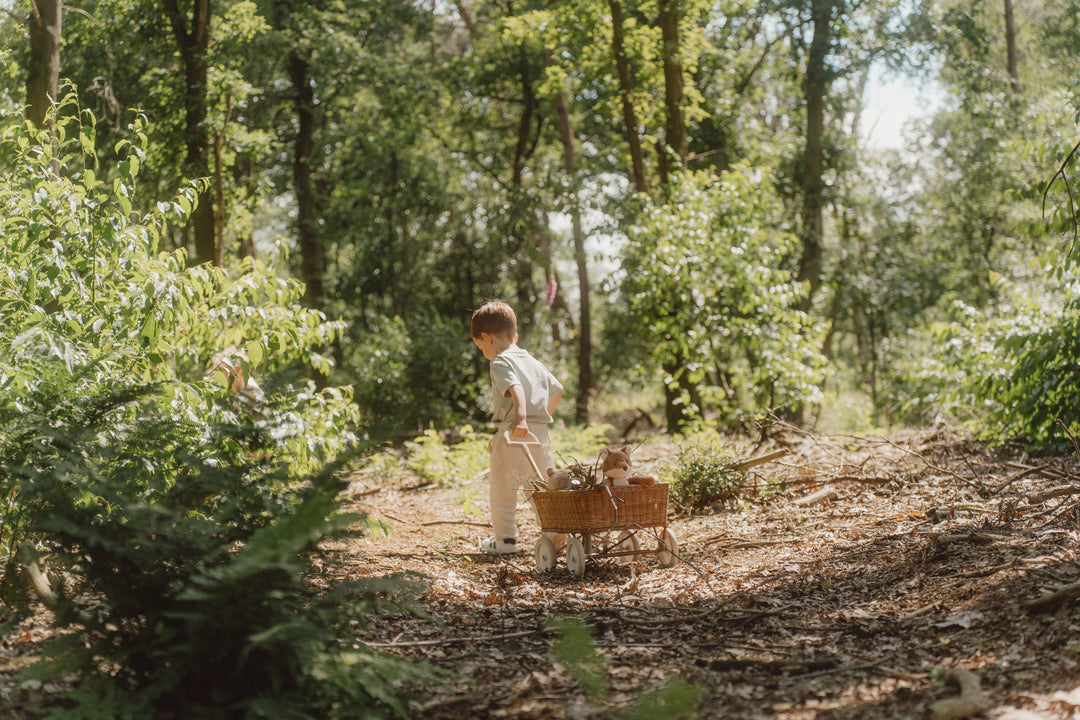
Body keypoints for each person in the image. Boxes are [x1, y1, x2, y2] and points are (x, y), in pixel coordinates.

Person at [470, 300, 563, 554]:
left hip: (513, 431)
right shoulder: (533, 361)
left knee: (503, 489)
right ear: (515, 334)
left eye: (480, 347)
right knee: (541, 489)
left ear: (486, 338)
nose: (483, 352)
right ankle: (554, 532)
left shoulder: (500, 361)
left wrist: (521, 419)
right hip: (540, 434)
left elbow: (515, 389)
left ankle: (505, 542)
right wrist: (538, 418)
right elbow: (557, 390)